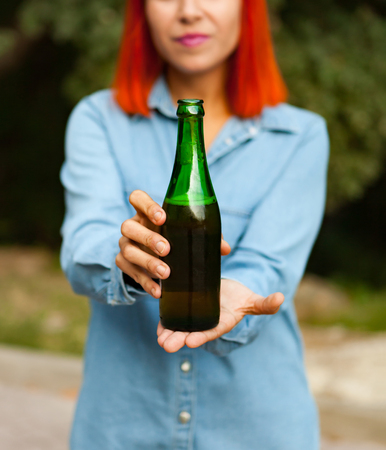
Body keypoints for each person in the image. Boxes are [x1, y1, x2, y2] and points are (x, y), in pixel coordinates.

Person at [60, 0, 329, 449]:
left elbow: (269, 262)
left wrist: (235, 292)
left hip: (257, 430)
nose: (189, 11)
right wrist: (127, 254)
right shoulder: (98, 119)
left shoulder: (300, 136)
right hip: (121, 428)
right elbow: (81, 245)